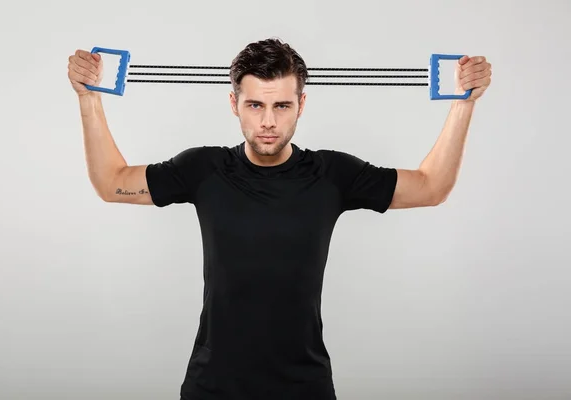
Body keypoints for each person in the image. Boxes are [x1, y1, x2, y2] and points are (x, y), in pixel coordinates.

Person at [67, 38, 491, 400]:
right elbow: (112, 182)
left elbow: (431, 187)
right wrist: (89, 97)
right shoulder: (203, 170)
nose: (268, 121)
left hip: (304, 386)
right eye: (255, 105)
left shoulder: (332, 174)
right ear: (234, 103)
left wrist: (464, 105)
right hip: (213, 386)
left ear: (301, 104)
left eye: (282, 105)